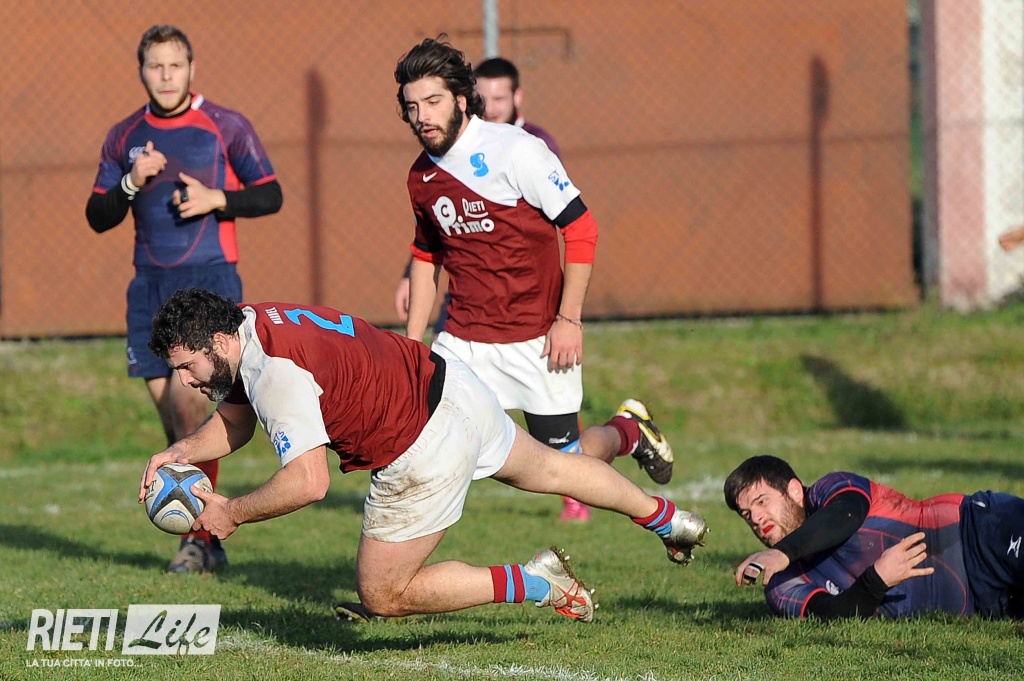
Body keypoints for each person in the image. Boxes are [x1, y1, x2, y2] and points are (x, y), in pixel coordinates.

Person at [137, 288, 710, 623]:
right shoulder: (248, 321)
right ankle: (669, 519)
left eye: (187, 366)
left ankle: (538, 581)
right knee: (552, 467)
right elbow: (236, 422)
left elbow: (308, 482)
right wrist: (179, 450)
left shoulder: (274, 374)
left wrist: (231, 513)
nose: (184, 380)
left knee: (383, 594)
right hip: (449, 383)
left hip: (421, 443)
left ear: (218, 342)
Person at [395, 38, 675, 526]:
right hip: (463, 340)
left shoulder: (516, 151)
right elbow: (425, 257)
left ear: (460, 100)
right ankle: (399, 563)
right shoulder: (421, 176)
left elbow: (581, 229)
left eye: (433, 102)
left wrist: (568, 320)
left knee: (566, 467)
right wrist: (414, 345)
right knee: (427, 445)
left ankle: (628, 431)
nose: (422, 116)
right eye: (412, 106)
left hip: (537, 338)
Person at [86, 25, 283, 573]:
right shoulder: (124, 136)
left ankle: (196, 540)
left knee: (190, 405)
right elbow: (97, 215)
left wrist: (217, 197)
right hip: (148, 287)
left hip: (208, 282)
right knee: (175, 423)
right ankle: (207, 537)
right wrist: (131, 182)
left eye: (176, 65)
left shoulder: (225, 124)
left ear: (192, 68)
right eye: (156, 66)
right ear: (142, 71)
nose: (166, 76)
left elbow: (270, 194)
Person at [724, 455, 1024, 620]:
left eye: (762, 502)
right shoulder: (780, 584)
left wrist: (782, 552)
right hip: (986, 605)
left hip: (979, 531)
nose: (756, 518)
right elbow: (833, 615)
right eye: (747, 514)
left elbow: (846, 514)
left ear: (793, 490)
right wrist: (876, 581)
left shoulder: (829, 490)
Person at [392, 57, 560, 338]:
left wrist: (568, 317)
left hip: (525, 310)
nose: (490, 109)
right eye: (483, 99)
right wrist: (411, 275)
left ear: (517, 97)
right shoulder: (448, 153)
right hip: (466, 305)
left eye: (499, 99)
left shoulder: (530, 144)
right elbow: (436, 229)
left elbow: (571, 226)